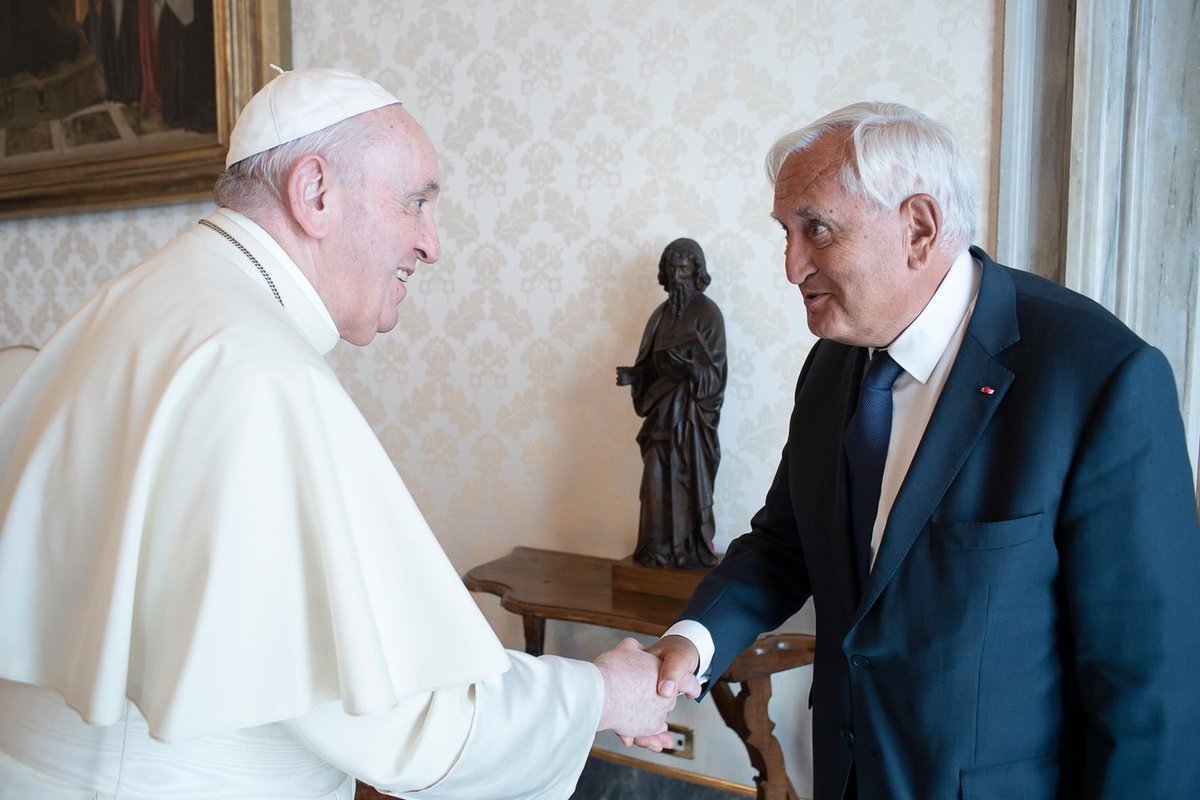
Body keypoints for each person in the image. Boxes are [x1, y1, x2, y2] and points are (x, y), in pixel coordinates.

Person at [0, 67, 697, 800]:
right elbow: (400, 719)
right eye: (416, 202)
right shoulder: (259, 372)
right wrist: (598, 694)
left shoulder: (132, 304)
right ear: (315, 193)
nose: (432, 244)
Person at [646, 102, 1200, 799]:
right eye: (785, 234)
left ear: (917, 228)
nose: (791, 267)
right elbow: (786, 542)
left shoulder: (1098, 378)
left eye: (815, 229)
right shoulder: (830, 365)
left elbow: (1148, 689)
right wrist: (691, 642)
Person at [616, 238, 727, 568]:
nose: (677, 276)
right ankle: (656, 548)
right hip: (660, 419)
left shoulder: (708, 314)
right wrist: (634, 376)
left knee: (686, 481)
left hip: (691, 423)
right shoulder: (659, 316)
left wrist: (691, 368)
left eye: (684, 268)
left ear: (696, 272)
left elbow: (716, 374)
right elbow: (649, 364)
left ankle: (688, 550)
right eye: (671, 269)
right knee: (655, 484)